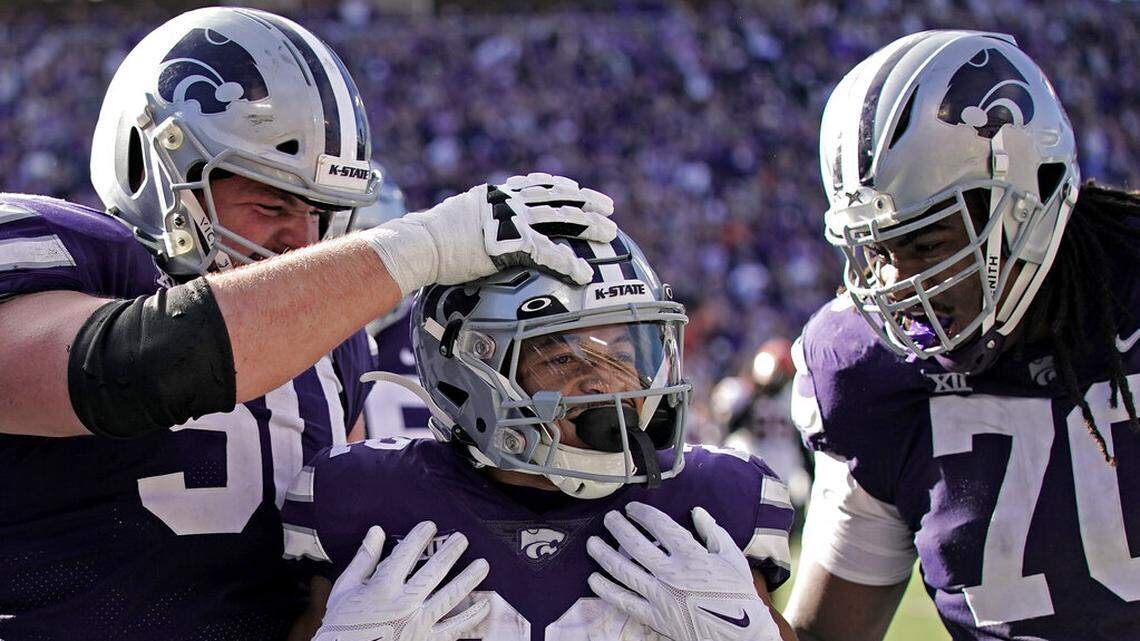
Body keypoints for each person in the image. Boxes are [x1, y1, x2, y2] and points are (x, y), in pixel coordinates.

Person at [0, 7, 615, 640]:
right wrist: (418, 247)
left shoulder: (334, 343)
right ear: (151, 166)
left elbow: (311, 587)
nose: (302, 241)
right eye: (271, 203)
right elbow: (125, 371)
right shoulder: (56, 255)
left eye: (321, 214)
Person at [785, 29, 1140, 641]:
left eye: (925, 243)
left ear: (1028, 200)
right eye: (876, 249)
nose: (896, 284)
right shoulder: (865, 370)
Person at [281, 232, 797, 640]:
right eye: (562, 358)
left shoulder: (709, 501)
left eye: (623, 352)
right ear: (468, 376)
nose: (605, 382)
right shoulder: (365, 501)